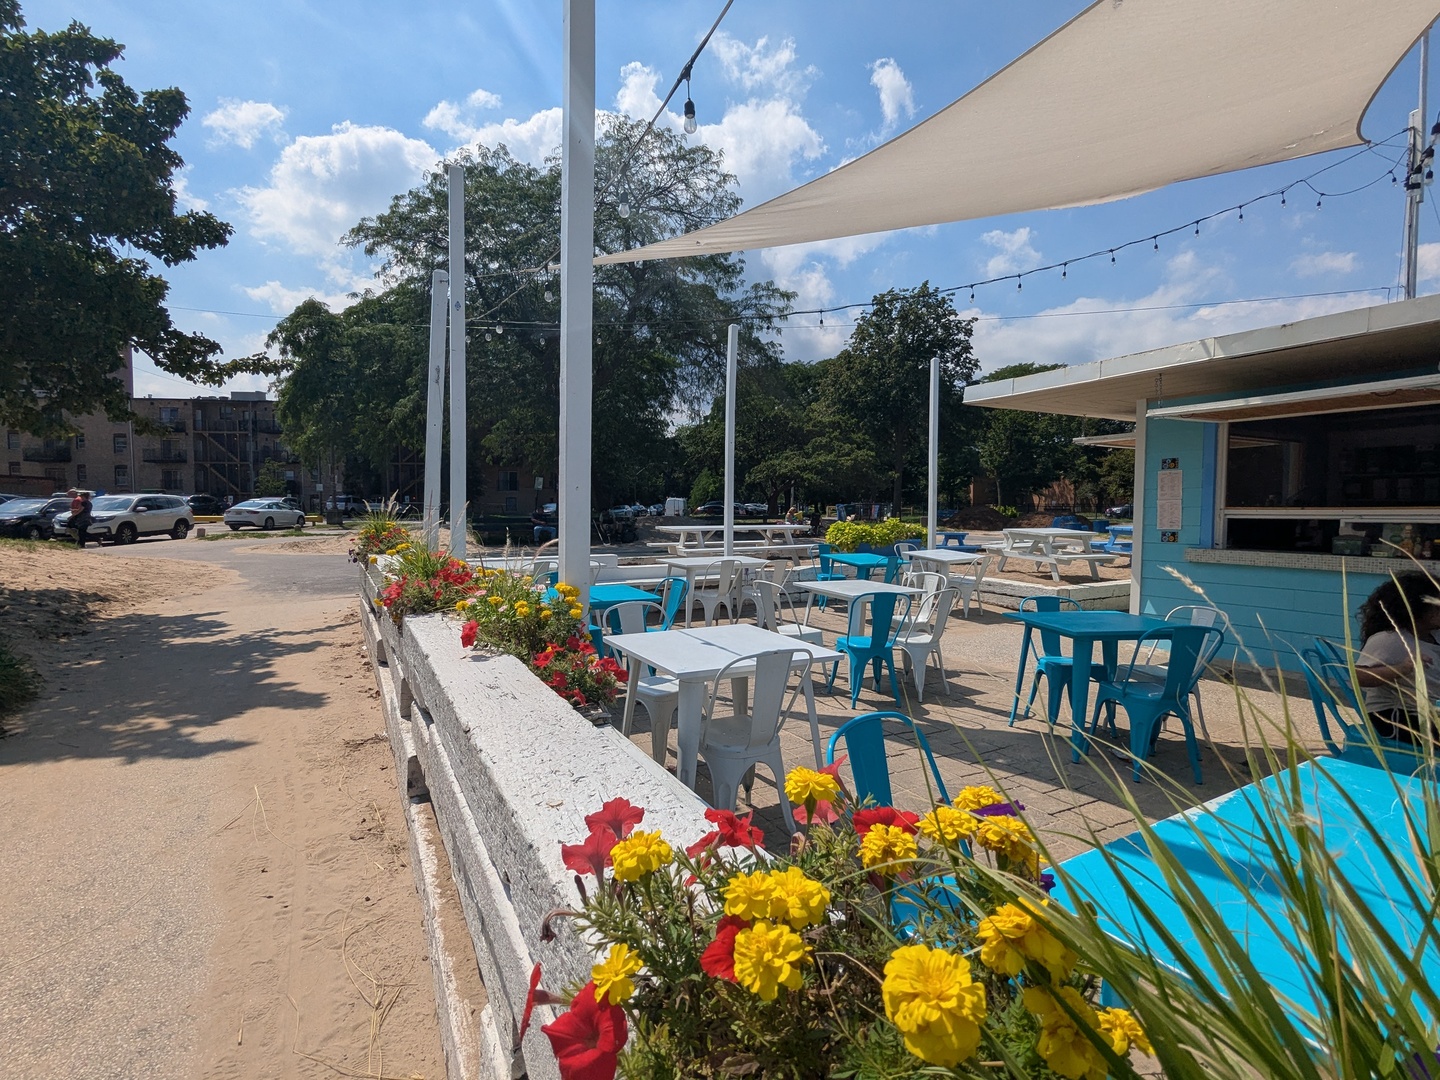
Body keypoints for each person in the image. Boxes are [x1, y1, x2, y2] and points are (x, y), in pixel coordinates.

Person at [1353, 573, 1440, 743]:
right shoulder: (1391, 639)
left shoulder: (1433, 635)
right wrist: (1401, 669)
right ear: (1416, 608)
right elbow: (1358, 677)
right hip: (1396, 717)